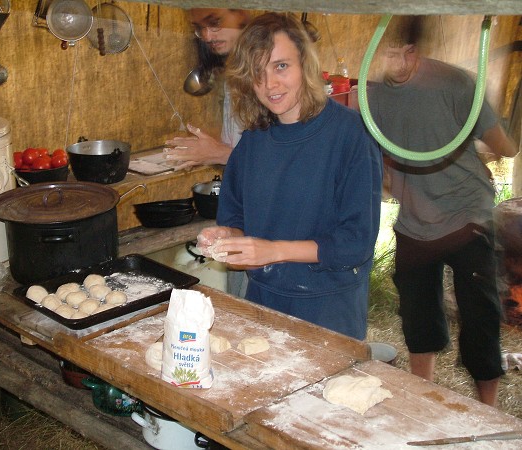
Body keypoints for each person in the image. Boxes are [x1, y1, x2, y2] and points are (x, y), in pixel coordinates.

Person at [196, 12, 383, 340]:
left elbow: (355, 244)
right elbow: (237, 217)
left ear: (305, 65)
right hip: (263, 304)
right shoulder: (254, 138)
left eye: (281, 66)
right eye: (258, 73)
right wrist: (227, 237)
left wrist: (273, 250)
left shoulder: (350, 134)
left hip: (327, 311)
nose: (270, 84)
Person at [367, 16, 518, 405]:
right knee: (418, 316)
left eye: (405, 53)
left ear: (419, 50)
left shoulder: (458, 82)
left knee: (480, 317)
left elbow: (507, 148)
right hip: (416, 223)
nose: (396, 63)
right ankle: (423, 396)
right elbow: (375, 157)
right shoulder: (370, 94)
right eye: (387, 54)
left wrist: (487, 126)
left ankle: (488, 410)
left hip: (467, 216)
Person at [163, 8, 252, 170]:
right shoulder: (233, 70)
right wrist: (204, 151)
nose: (207, 37)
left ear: (241, 12)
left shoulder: (267, 76)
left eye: (215, 23)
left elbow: (284, 163)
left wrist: (219, 154)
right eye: (199, 27)